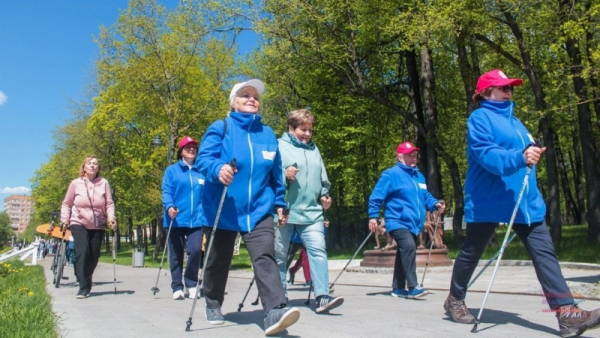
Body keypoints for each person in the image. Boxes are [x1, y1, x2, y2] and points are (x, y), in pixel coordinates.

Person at [445, 69, 600, 337]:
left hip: (522, 202)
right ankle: (454, 299)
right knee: (472, 251)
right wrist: (520, 155)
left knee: (545, 253)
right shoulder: (479, 118)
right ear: (485, 93)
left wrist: (533, 150)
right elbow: (487, 155)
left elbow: (525, 153)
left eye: (511, 88)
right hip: (488, 200)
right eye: (503, 87)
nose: (509, 91)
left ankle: (567, 313)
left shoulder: (516, 122)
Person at [197, 79, 300, 336]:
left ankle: (275, 310)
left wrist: (279, 203)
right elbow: (204, 160)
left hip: (258, 210)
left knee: (265, 256)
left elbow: (276, 173)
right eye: (245, 95)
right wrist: (217, 168)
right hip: (224, 208)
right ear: (234, 102)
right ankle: (212, 301)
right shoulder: (221, 127)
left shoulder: (266, 134)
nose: (252, 99)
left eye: (255, 96)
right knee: (218, 260)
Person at [274, 108, 343, 314]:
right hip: (284, 211)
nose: (307, 134)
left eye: (310, 130)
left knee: (318, 251)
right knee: (279, 255)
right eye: (302, 129)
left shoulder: (314, 149)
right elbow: (270, 176)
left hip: (312, 212)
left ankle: (322, 296)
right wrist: (285, 174)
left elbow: (323, 180)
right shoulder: (279, 146)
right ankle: (280, 298)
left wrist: (325, 196)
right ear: (291, 128)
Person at [368, 141, 444, 299]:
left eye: (414, 155)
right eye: (409, 155)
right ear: (399, 157)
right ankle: (413, 286)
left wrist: (435, 204)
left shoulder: (419, 176)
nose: (413, 158)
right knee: (409, 246)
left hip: (414, 223)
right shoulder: (391, 174)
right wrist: (373, 216)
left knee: (404, 250)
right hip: (397, 220)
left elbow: (425, 196)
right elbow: (376, 196)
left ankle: (397, 287)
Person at [60, 155, 116, 299]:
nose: (92, 165)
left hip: (98, 223)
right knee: (82, 251)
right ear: (84, 167)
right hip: (78, 222)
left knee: (94, 255)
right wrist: (65, 220)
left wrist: (111, 217)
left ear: (98, 168)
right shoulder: (75, 183)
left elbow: (109, 203)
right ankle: (83, 287)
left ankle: (85, 275)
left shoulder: (104, 183)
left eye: (95, 164)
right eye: (89, 163)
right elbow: (67, 203)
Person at [161, 136, 205, 300]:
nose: (191, 149)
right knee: (176, 254)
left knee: (195, 251)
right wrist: (170, 206)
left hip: (197, 219)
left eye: (194, 147)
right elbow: (166, 190)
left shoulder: (201, 170)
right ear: (181, 151)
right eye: (188, 147)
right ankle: (177, 286)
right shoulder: (172, 171)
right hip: (176, 218)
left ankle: (192, 283)